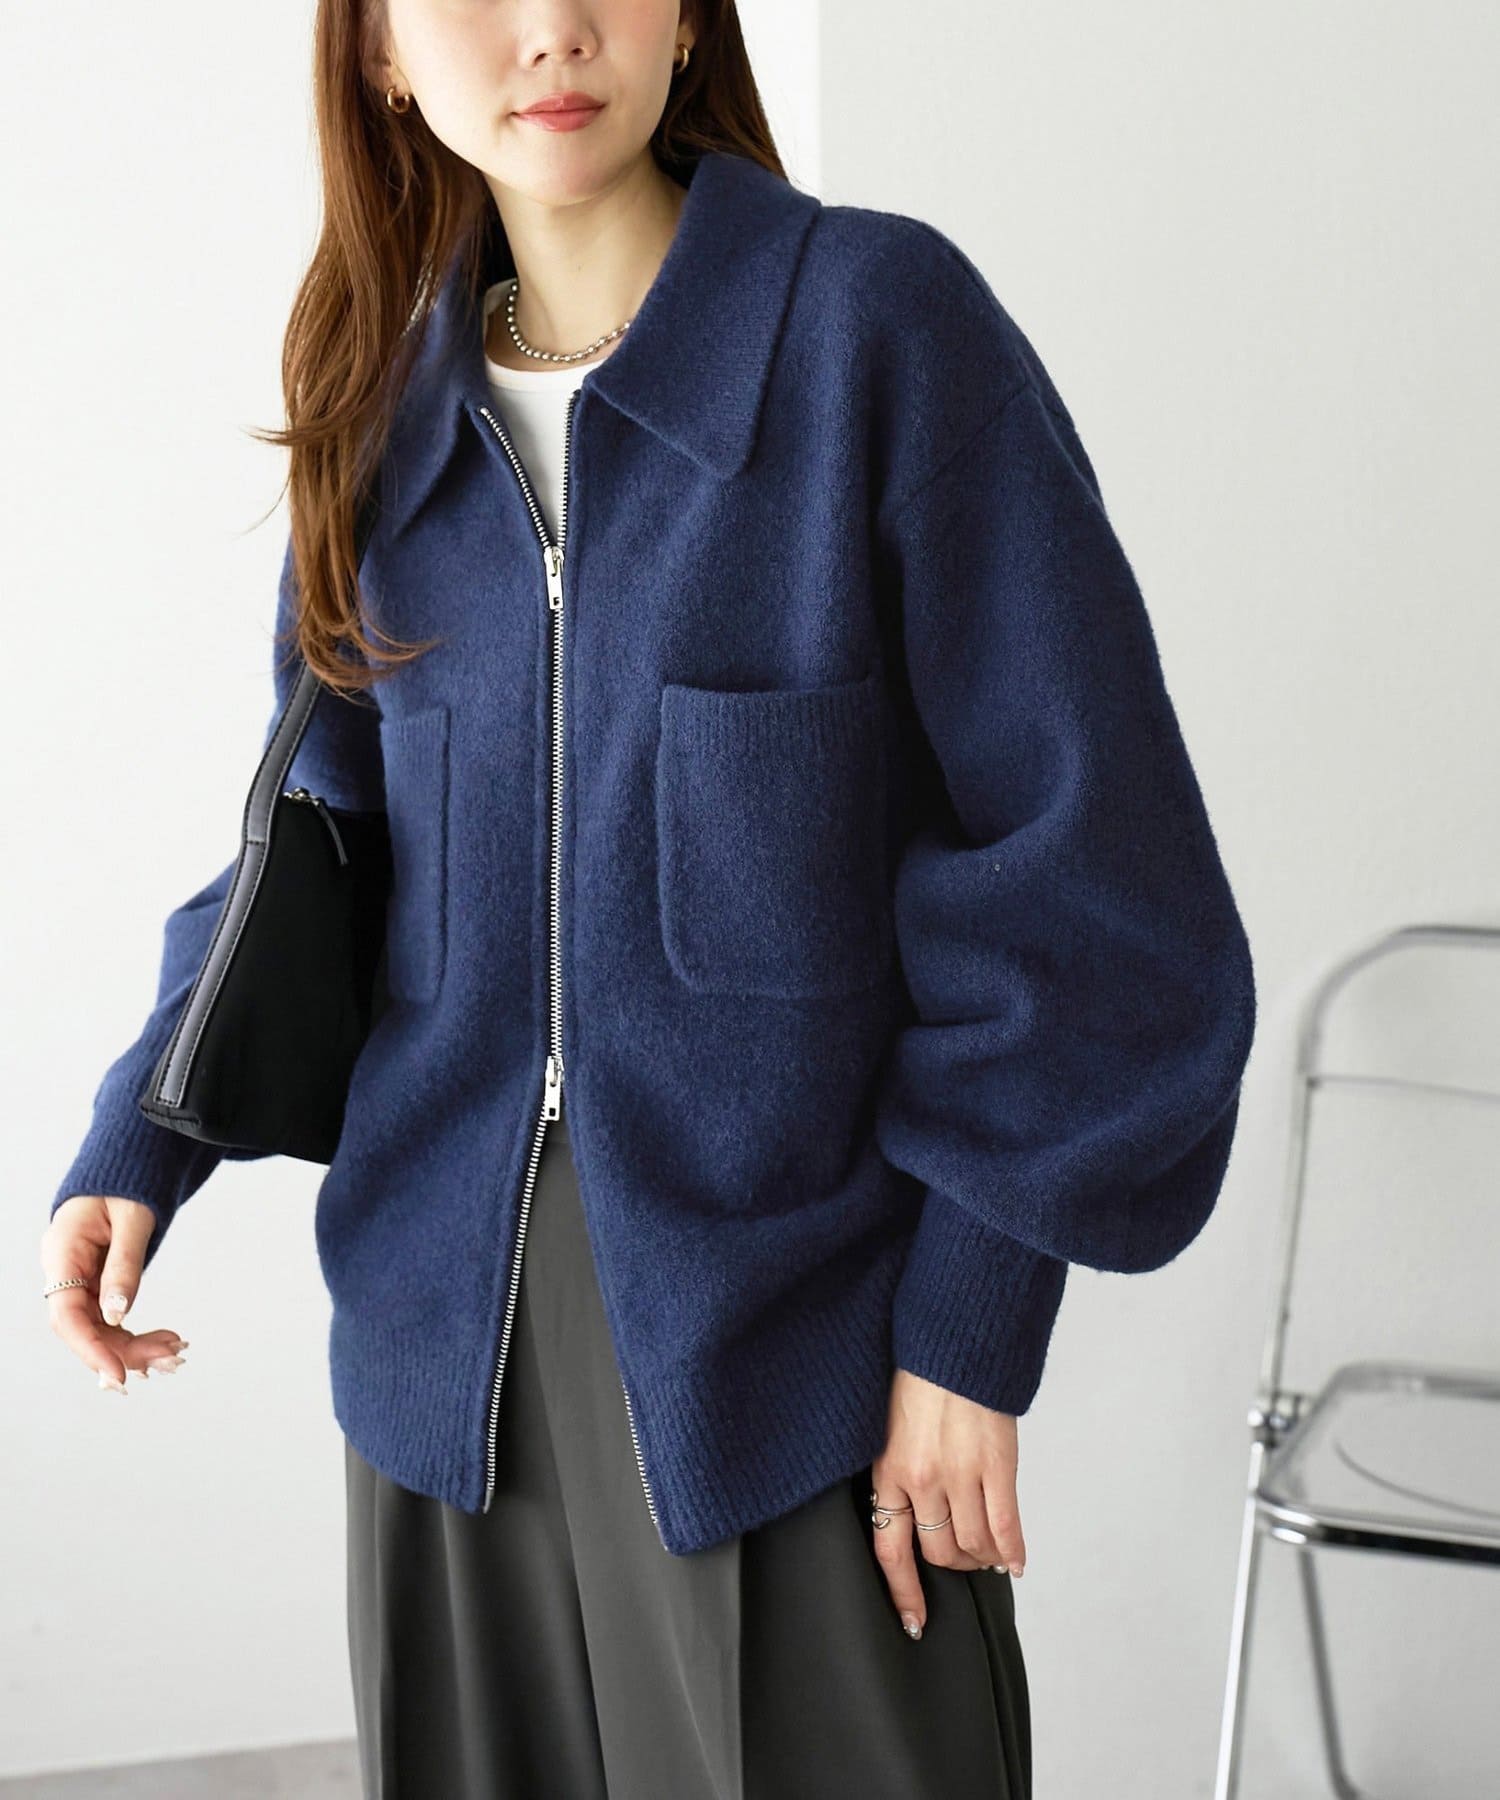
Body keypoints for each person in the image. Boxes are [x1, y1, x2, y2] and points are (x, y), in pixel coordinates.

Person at [40, 2, 1257, 1794]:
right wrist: (144, 1132)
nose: (550, 30)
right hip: (443, 1376)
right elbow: (317, 832)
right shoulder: (381, 415)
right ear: (380, 52)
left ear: (688, 14)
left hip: (805, 1366)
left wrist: (971, 1328)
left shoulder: (876, 332)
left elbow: (1098, 873)